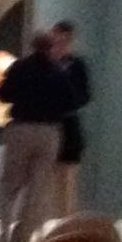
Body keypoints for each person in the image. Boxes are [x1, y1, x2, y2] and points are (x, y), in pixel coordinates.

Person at [0, 24, 78, 242]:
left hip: (21, 129)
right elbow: (70, 103)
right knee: (37, 190)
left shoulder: (20, 67)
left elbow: (3, 94)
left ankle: (1, 238)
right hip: (49, 132)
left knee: (9, 186)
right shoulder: (59, 71)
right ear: (50, 46)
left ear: (32, 45)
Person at [47, 19, 94, 216]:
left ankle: (66, 221)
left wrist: (67, 100)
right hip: (47, 123)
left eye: (64, 39)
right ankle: (47, 222)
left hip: (68, 123)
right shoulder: (45, 64)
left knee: (68, 178)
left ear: (70, 40)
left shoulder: (77, 65)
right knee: (47, 178)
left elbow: (85, 94)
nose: (59, 43)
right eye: (56, 38)